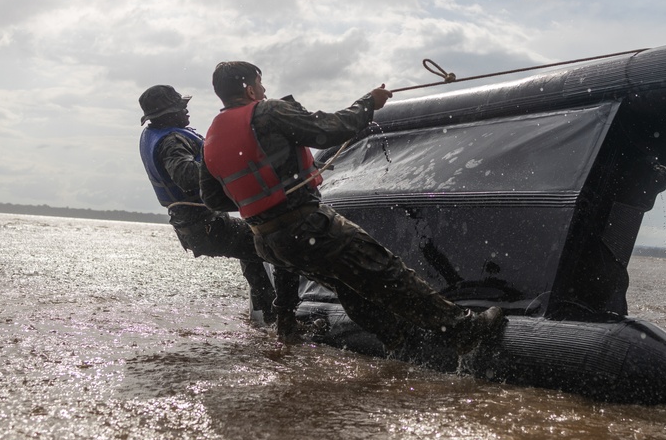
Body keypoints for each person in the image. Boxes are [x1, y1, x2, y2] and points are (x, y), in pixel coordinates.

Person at [198, 62, 506, 354]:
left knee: (350, 287)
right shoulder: (269, 111)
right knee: (386, 269)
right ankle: (463, 330)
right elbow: (329, 129)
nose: (263, 91)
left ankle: (398, 340)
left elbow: (212, 198)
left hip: (268, 241)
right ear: (250, 90)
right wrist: (368, 102)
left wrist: (263, 196)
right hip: (308, 227)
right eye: (260, 85)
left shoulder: (211, 137)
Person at [138, 84, 299, 327]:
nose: (187, 111)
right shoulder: (172, 142)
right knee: (279, 248)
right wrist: (227, 159)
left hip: (196, 226)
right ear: (167, 114)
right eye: (182, 107)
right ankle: (285, 321)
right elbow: (186, 176)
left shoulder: (162, 135)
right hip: (205, 226)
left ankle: (264, 314)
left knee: (254, 243)